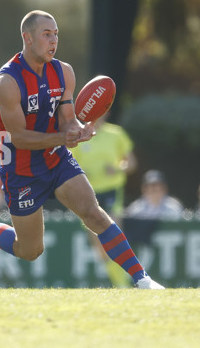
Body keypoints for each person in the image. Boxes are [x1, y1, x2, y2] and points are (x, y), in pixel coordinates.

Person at [0, 10, 163, 289]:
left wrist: (78, 128)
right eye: (46, 34)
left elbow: (67, 118)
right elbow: (19, 138)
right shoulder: (7, 82)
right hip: (21, 169)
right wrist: (64, 138)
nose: (54, 40)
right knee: (30, 250)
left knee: (94, 214)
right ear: (27, 38)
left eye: (56, 34)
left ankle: (142, 279)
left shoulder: (64, 71)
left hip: (56, 159)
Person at [69, 114, 137, 287]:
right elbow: (69, 163)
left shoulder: (116, 134)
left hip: (111, 191)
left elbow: (131, 163)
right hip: (88, 194)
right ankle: (120, 282)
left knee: (114, 234)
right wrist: (81, 172)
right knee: (99, 244)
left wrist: (116, 169)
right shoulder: (79, 136)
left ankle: (125, 284)